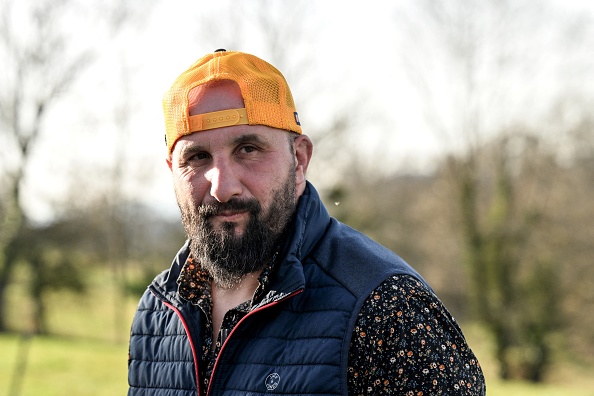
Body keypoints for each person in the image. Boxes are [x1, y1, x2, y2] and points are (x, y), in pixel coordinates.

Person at [128, 49, 486, 396]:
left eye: (248, 149)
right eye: (197, 156)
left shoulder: (387, 308)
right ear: (173, 171)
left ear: (298, 160)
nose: (222, 187)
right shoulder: (157, 312)